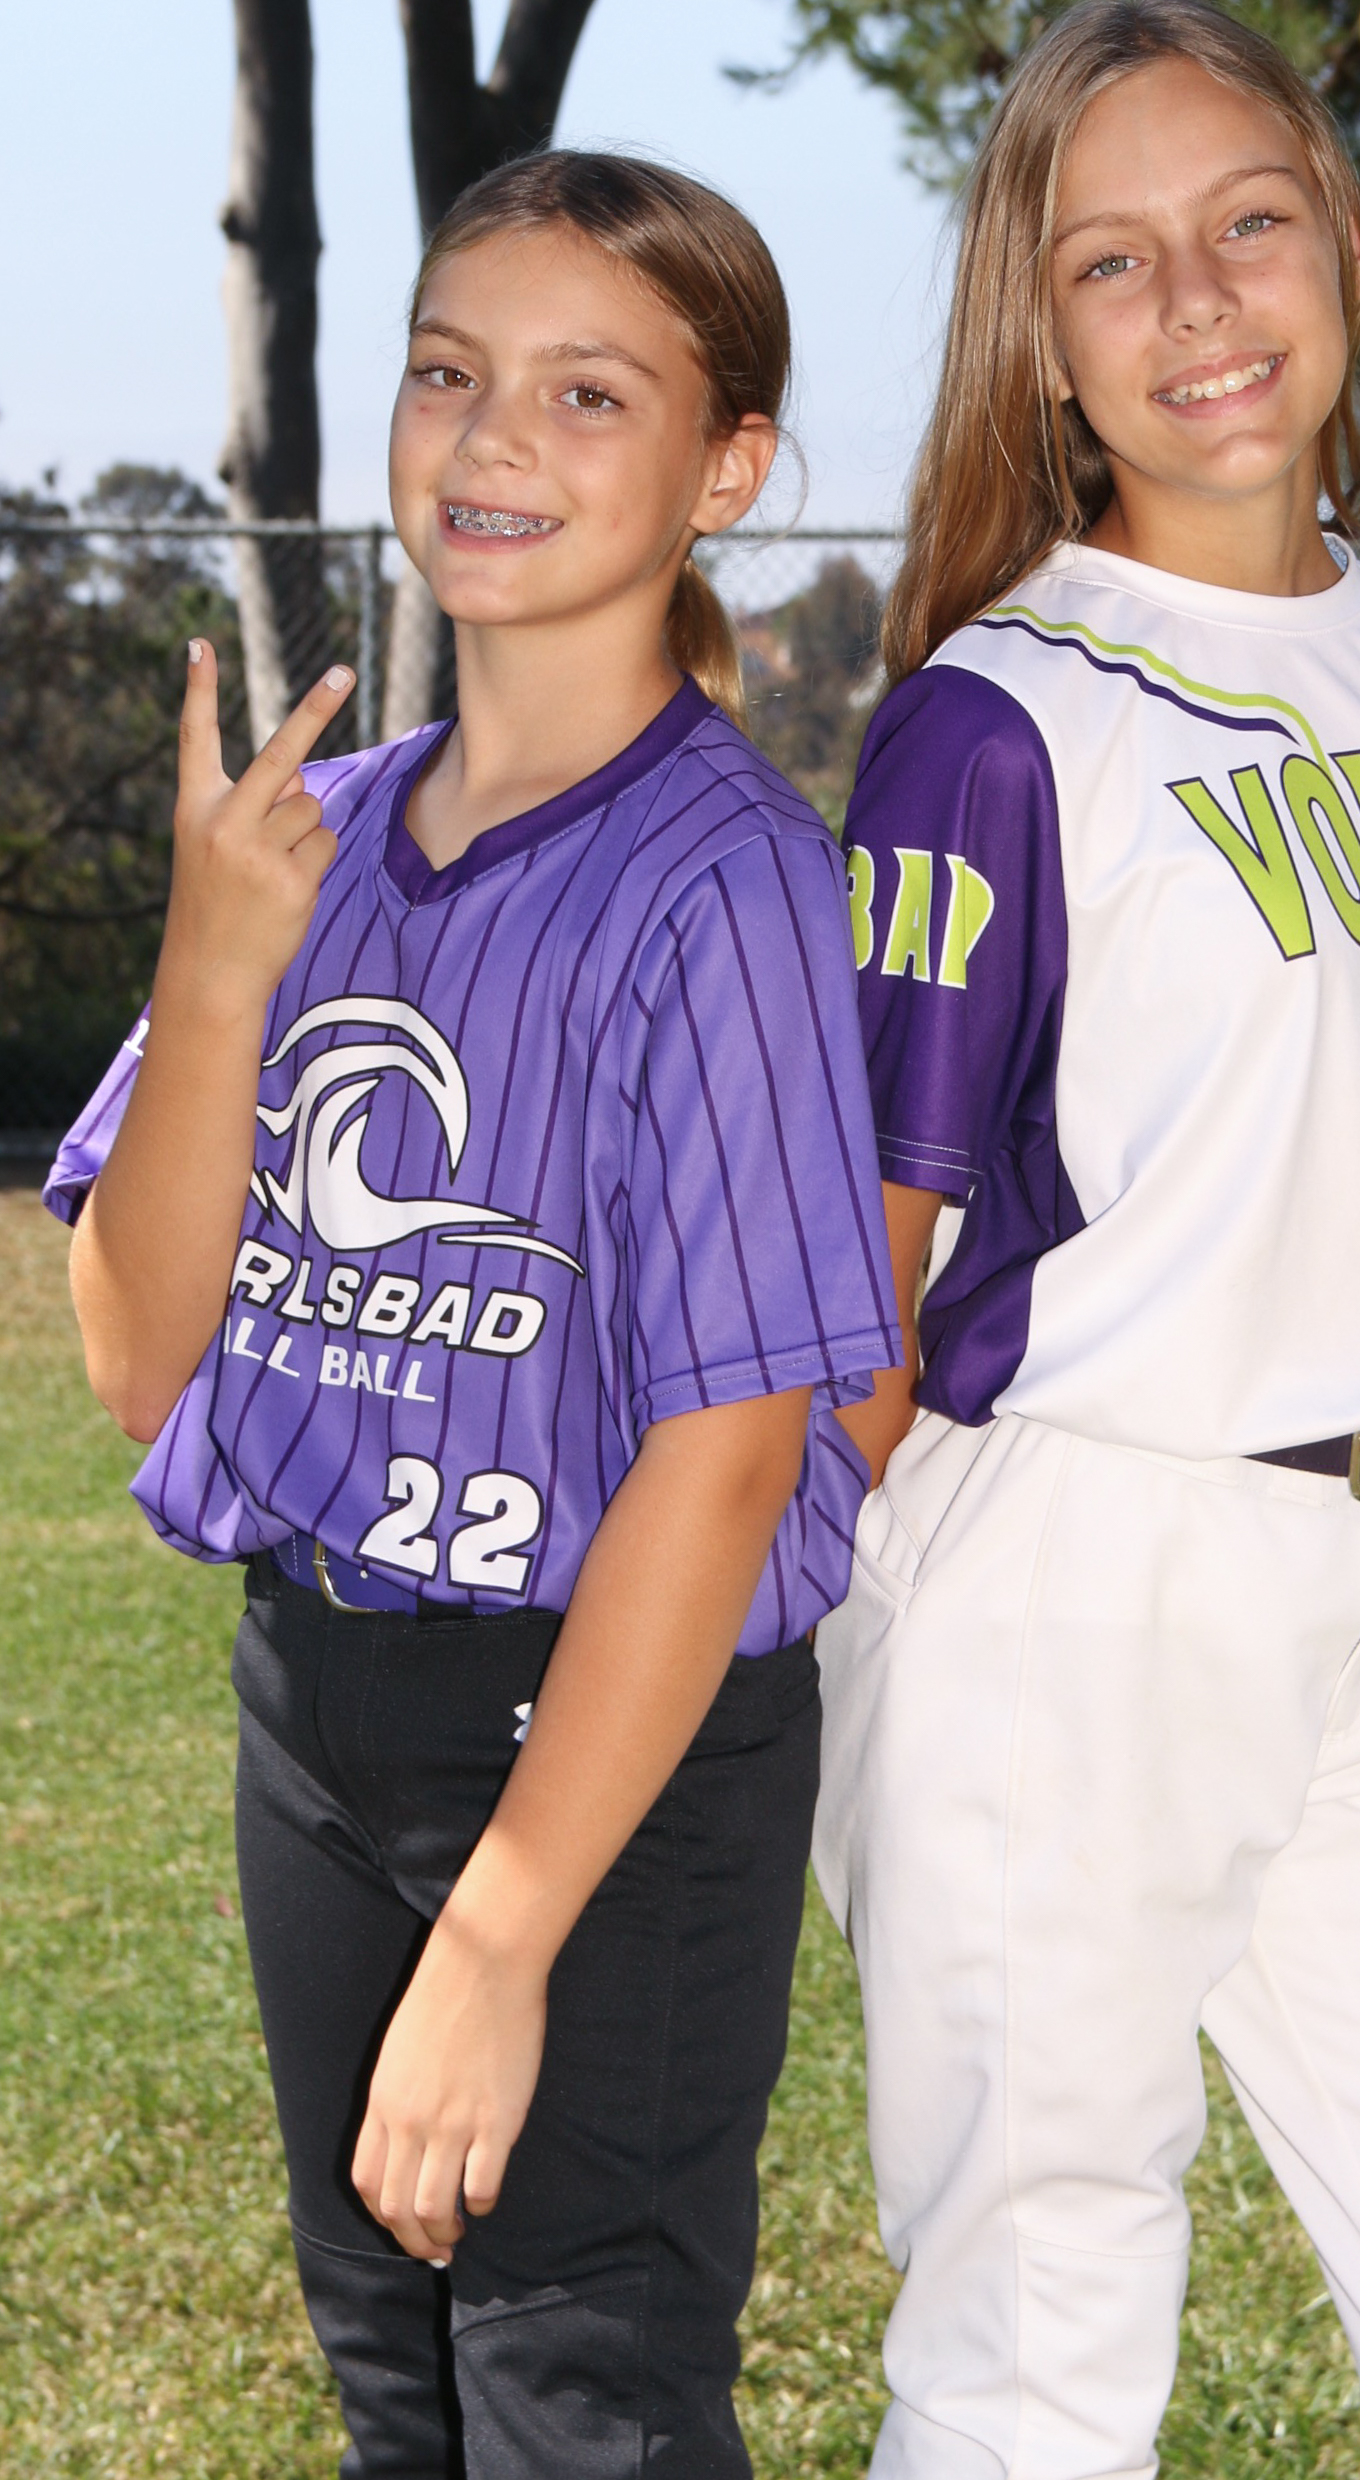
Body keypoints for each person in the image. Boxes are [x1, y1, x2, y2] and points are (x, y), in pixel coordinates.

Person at [824, 0, 1360, 2480]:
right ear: (1043, 341)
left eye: (1249, 223)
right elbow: (866, 1261)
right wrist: (711, 1670)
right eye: (1113, 260)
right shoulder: (994, 720)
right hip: (1078, 1594)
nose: (1197, 302)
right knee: (1035, 2361)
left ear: (1347, 248)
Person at [47, 151, 900, 2479]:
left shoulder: (728, 877)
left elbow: (731, 1455)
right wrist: (214, 967)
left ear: (727, 467)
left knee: (575, 2400)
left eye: (587, 391)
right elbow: (139, 1359)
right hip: (318, 1702)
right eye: (448, 370)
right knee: (398, 2394)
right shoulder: (304, 842)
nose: (493, 432)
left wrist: (508, 1930)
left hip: (605, 1738)